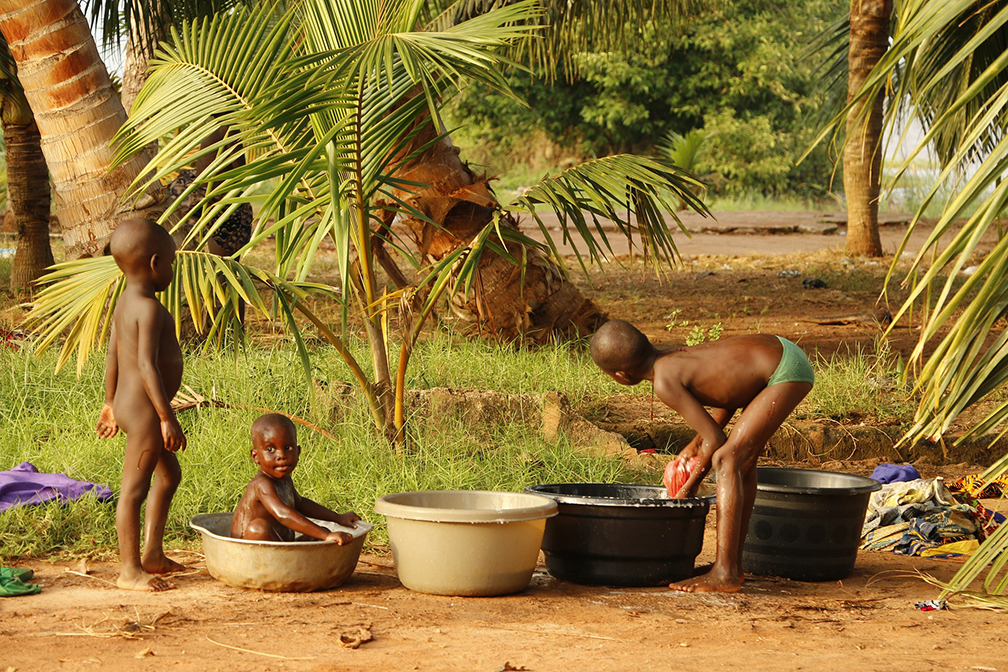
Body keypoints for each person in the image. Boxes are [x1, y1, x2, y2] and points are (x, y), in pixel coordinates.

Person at [590, 319, 814, 593]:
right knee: (742, 462)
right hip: (778, 352)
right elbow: (728, 396)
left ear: (621, 375)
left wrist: (688, 487)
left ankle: (724, 573)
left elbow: (717, 441)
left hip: (783, 371)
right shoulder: (675, 356)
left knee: (727, 459)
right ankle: (733, 567)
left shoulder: (663, 382)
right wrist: (697, 443)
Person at [96, 218, 186, 592]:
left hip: (129, 404)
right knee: (134, 490)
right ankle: (129, 571)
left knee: (169, 476)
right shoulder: (148, 309)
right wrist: (167, 419)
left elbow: (113, 356)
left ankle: (152, 554)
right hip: (148, 412)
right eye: (170, 261)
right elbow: (147, 365)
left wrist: (108, 403)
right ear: (154, 264)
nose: (171, 268)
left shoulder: (124, 303)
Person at [231, 413, 361, 543]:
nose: (281, 455)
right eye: (270, 449)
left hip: (280, 548)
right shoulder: (261, 484)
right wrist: (325, 535)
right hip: (247, 552)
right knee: (258, 528)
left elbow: (301, 504)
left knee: (320, 532)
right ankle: (287, 558)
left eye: (287, 448)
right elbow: (282, 514)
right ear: (255, 456)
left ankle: (293, 558)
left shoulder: (285, 481)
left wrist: (337, 518)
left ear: (298, 452)